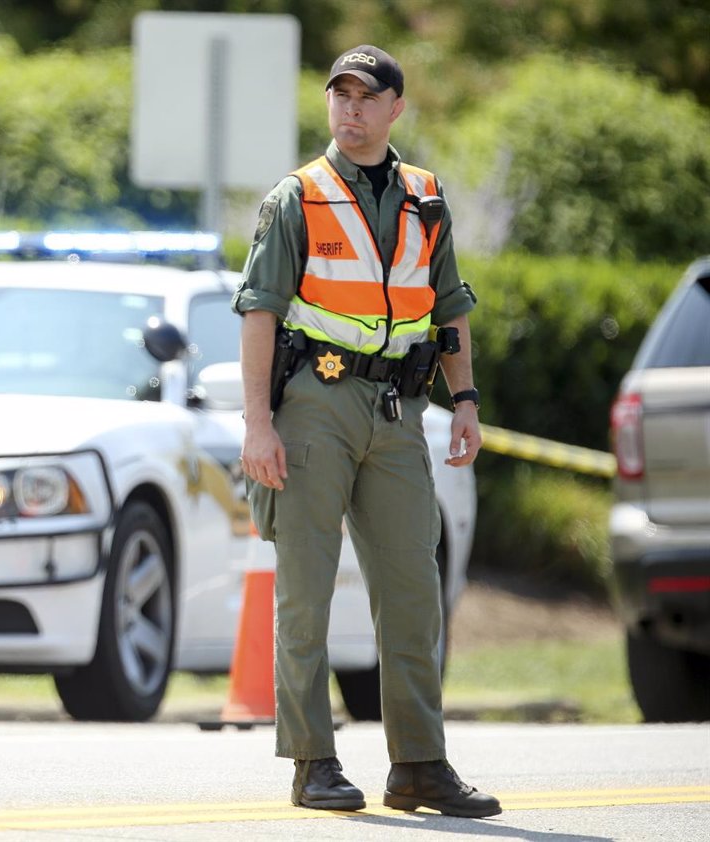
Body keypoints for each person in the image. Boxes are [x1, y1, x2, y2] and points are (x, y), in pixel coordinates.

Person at [232, 44, 501, 818]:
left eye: (365, 96)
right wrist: (258, 424)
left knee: (413, 592)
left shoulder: (426, 197)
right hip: (312, 406)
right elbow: (259, 311)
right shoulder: (297, 197)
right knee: (308, 594)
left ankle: (419, 762)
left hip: (398, 412)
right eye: (339, 95)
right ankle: (313, 761)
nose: (349, 109)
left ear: (394, 108)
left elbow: (449, 310)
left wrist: (468, 403)